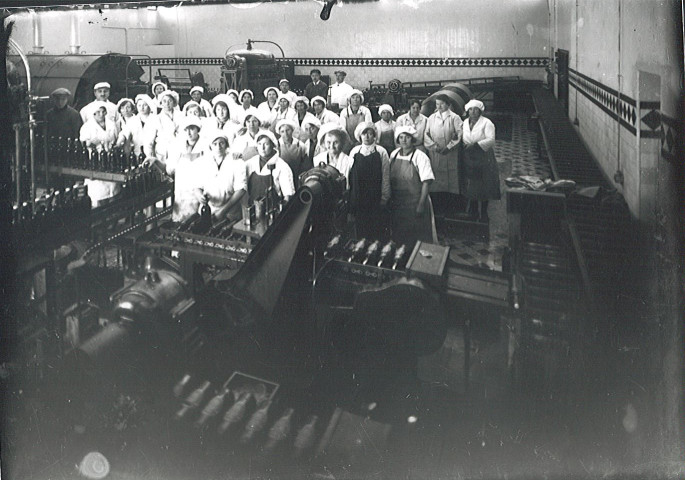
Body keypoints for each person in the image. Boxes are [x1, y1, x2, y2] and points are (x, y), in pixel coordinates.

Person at [146, 117, 208, 222]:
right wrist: (156, 161)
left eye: (192, 129)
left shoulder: (206, 147)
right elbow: (169, 169)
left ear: (198, 129)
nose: (189, 132)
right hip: (182, 195)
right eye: (186, 129)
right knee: (181, 226)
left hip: (199, 195)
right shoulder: (178, 147)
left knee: (199, 225)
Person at [389, 126, 437, 246]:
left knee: (417, 238)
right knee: (399, 237)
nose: (404, 140)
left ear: (413, 139)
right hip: (398, 203)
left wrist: (421, 204)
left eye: (407, 137)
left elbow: (426, 182)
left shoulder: (420, 157)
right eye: (401, 137)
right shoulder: (394, 155)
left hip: (415, 203)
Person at [348, 122, 391, 240]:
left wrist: (384, 197)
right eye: (364, 133)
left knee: (376, 227)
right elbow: (349, 176)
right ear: (359, 136)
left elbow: (386, 175)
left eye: (370, 133)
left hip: (375, 196)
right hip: (359, 196)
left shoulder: (381, 152)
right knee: (361, 228)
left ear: (374, 135)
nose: (367, 136)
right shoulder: (354, 152)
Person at [461, 99, 501, 222]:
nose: (473, 112)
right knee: (472, 184)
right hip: (469, 156)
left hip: (483, 156)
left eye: (476, 110)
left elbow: (491, 140)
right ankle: (473, 211)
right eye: (470, 110)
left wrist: (475, 145)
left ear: (480, 111)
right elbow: (462, 136)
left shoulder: (487, 123)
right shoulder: (465, 123)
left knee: (484, 184)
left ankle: (483, 213)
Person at [424, 94, 462, 215]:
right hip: (436, 153)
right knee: (437, 179)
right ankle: (437, 207)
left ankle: (451, 208)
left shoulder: (455, 118)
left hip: (450, 154)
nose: (439, 106)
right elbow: (426, 134)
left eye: (442, 104)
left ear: (448, 104)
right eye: (437, 104)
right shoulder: (431, 118)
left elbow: (459, 135)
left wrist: (449, 147)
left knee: (451, 180)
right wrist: (435, 147)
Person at [79, 102, 120, 205]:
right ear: (93, 114)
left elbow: (116, 138)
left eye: (103, 111)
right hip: (95, 161)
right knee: (98, 192)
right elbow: (83, 143)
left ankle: (113, 215)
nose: (101, 114)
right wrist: (92, 144)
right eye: (98, 112)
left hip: (110, 160)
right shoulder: (87, 127)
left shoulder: (111, 124)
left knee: (113, 189)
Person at [244, 130, 295, 205]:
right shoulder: (251, 162)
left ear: (273, 145)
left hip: (273, 208)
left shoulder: (282, 166)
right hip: (253, 206)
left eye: (266, 144)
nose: (262, 148)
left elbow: (288, 195)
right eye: (259, 144)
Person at [144, 90, 181, 161]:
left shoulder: (181, 116)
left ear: (174, 103)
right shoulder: (156, 118)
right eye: (164, 101)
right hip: (162, 152)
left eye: (170, 101)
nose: (167, 103)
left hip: (178, 150)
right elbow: (148, 141)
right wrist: (149, 156)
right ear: (161, 103)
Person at [276, 119, 308, 186]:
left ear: (292, 130)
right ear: (279, 133)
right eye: (282, 131)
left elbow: (305, 165)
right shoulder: (276, 145)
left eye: (288, 130)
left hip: (297, 178)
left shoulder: (300, 145)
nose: (286, 134)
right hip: (282, 179)